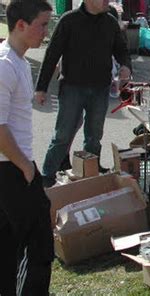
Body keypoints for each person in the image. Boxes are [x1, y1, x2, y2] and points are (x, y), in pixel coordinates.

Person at [35, 0, 132, 188]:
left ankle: (90, 172)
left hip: (100, 88)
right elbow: (52, 54)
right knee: (62, 135)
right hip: (72, 87)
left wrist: (126, 65)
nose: (107, 2)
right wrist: (41, 87)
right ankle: (47, 177)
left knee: (94, 135)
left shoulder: (110, 22)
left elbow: (121, 49)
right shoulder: (69, 20)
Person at [0, 0, 54, 294]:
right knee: (38, 245)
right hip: (11, 168)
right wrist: (25, 166)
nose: (46, 31)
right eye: (43, 24)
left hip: (15, 165)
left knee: (8, 243)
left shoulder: (18, 61)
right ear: (21, 25)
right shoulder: (4, 64)